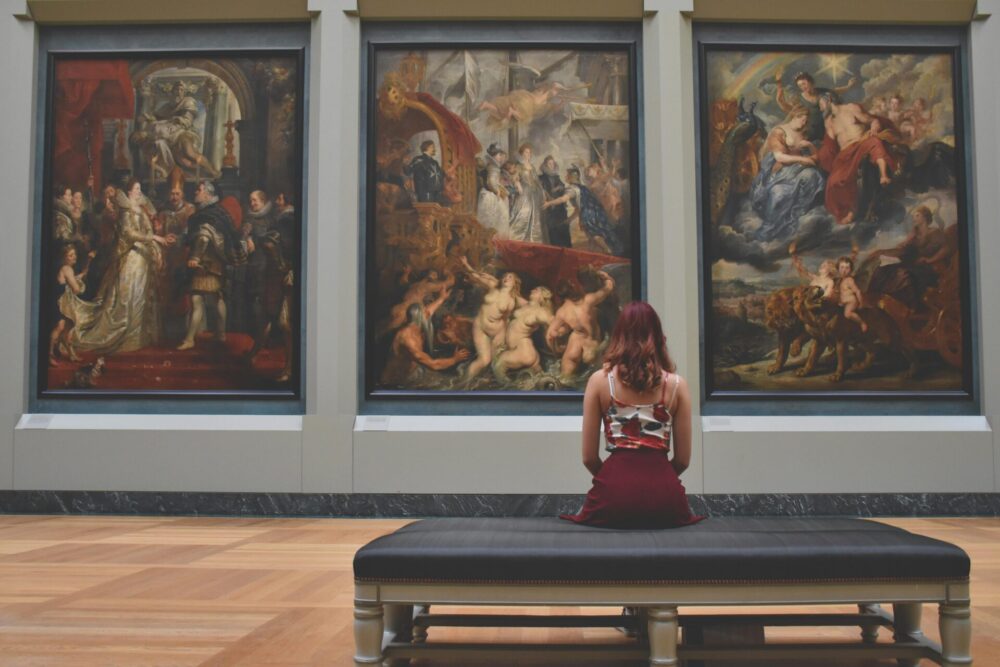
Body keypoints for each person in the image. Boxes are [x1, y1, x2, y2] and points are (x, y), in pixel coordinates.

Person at [560, 301, 701, 529]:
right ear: (657, 335)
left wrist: (615, 480)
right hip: (665, 498)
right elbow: (683, 460)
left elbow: (588, 457)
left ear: (619, 335)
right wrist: (656, 479)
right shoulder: (677, 386)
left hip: (612, 494)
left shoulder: (599, 382)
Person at [64, 180, 173, 354]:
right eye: (136, 189)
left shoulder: (140, 209)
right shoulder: (125, 210)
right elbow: (128, 234)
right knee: (127, 296)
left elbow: (146, 229)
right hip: (131, 257)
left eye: (139, 189)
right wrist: (154, 239)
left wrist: (156, 245)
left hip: (143, 258)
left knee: (140, 296)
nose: (139, 192)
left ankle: (138, 336)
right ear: (129, 192)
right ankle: (125, 334)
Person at [176, 181, 249, 350]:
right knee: (217, 298)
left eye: (199, 190)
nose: (196, 192)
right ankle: (220, 334)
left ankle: (189, 339)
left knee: (197, 299)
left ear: (208, 194)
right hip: (216, 264)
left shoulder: (208, 214)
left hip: (205, 264)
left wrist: (195, 257)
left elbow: (203, 236)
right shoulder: (216, 213)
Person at [816, 93, 898, 225]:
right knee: (833, 182)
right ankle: (850, 210)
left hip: (860, 144)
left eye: (821, 105)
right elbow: (830, 143)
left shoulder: (850, 108)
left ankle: (884, 176)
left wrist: (874, 126)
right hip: (845, 154)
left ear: (829, 99)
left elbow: (871, 120)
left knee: (875, 142)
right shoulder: (828, 121)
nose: (820, 109)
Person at [749, 106, 825, 241]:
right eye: (802, 120)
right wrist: (802, 159)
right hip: (781, 173)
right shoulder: (779, 132)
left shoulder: (803, 134)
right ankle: (768, 231)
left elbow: (815, 159)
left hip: (798, 170)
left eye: (806, 121)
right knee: (778, 194)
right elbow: (779, 157)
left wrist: (810, 146)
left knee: (812, 176)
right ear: (795, 117)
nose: (804, 123)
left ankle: (794, 216)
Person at [460, 256, 525, 381]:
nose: (506, 278)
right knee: (484, 360)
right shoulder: (493, 285)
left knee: (496, 364)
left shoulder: (514, 299)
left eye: (510, 277)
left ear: (515, 282)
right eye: (505, 276)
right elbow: (477, 277)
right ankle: (462, 386)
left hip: (498, 332)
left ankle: (494, 387)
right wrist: (466, 264)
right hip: (480, 326)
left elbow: (526, 307)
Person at [546, 268, 615, 380]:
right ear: (573, 288)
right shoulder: (588, 300)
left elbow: (549, 336)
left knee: (564, 380)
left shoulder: (561, 312)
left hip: (574, 346)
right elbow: (609, 287)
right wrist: (605, 277)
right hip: (591, 347)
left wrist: (557, 351)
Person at [494, 286, 554, 379]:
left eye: (536, 290)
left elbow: (553, 322)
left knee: (498, 365)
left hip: (523, 351)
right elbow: (512, 293)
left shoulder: (540, 312)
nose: (532, 289)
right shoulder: (526, 305)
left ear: (542, 297)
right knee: (539, 382)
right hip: (525, 352)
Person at [539, 155, 571, 247]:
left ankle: (566, 249)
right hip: (549, 208)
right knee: (552, 230)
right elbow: (541, 190)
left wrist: (559, 187)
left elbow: (562, 187)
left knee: (563, 227)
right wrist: (548, 196)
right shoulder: (541, 178)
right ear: (545, 165)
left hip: (559, 206)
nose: (551, 165)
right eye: (549, 163)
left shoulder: (556, 176)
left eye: (553, 163)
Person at [404, 140, 447, 204]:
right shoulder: (419, 160)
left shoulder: (435, 163)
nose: (434, 149)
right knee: (426, 210)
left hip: (436, 192)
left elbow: (442, 174)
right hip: (425, 192)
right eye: (432, 147)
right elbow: (408, 171)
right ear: (427, 148)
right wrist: (404, 163)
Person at [837, 255, 867, 332]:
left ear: (850, 270)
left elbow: (858, 291)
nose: (844, 270)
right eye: (842, 267)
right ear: (838, 268)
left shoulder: (849, 280)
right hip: (843, 303)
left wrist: (861, 303)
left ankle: (862, 323)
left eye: (847, 268)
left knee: (847, 314)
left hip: (851, 302)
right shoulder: (840, 280)